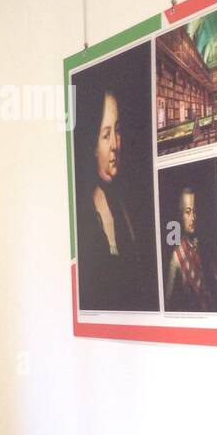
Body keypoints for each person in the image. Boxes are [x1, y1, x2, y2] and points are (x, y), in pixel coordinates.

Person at [75, 89, 155, 310]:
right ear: (93, 145)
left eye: (117, 131)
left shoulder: (127, 201)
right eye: (105, 134)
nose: (114, 144)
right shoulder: (82, 210)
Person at [165, 187, 217, 312]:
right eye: (188, 212)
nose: (193, 217)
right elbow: (168, 301)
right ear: (181, 215)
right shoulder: (177, 256)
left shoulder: (206, 247)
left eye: (195, 211)